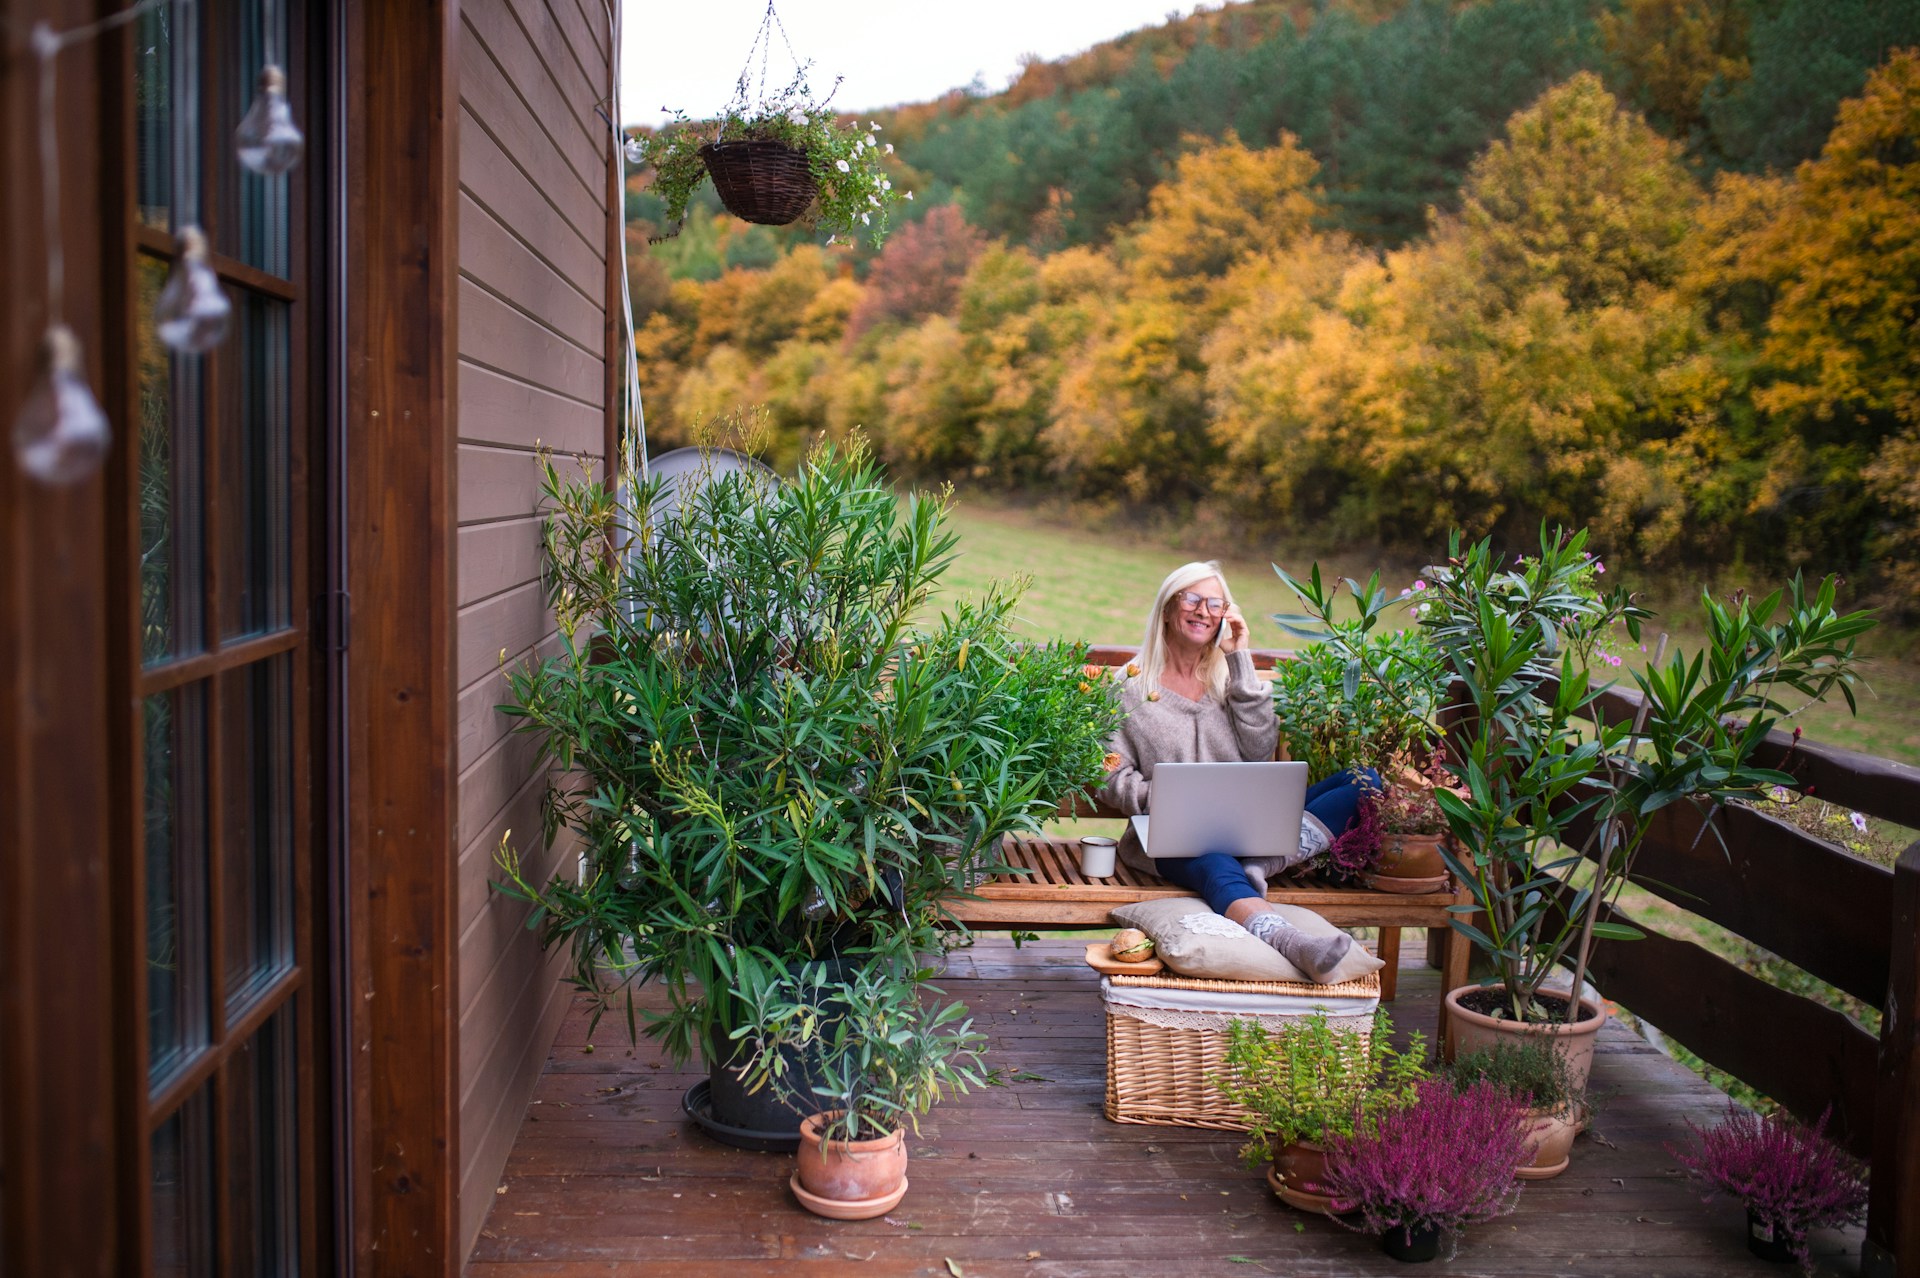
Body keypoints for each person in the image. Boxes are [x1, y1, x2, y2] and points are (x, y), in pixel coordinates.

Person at [1097, 561, 1381, 983]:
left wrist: (1241, 659)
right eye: (1192, 599)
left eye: (1215, 603)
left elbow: (1259, 750)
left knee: (1364, 783)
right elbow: (1111, 779)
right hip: (1171, 838)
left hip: (1244, 825)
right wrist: (1176, 800)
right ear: (1168, 608)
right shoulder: (1128, 687)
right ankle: (1296, 944)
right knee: (1215, 862)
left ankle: (1260, 864)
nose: (1204, 611)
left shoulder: (1228, 678)